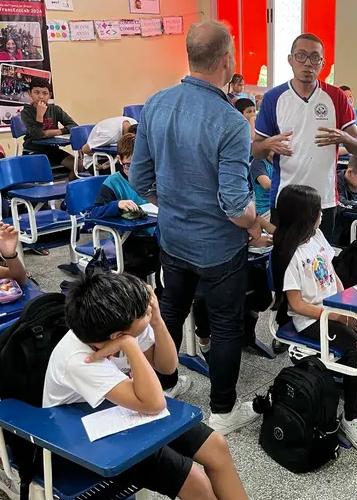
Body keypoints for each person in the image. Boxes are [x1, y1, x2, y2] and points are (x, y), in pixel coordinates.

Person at [130, 21, 262, 435]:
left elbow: (139, 180)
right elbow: (234, 205)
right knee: (225, 325)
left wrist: (175, 203)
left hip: (172, 237)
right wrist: (254, 220)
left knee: (171, 310)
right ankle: (222, 411)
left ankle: (165, 385)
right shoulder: (230, 122)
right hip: (219, 247)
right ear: (226, 61)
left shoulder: (155, 104)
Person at [43, 272, 247, 500]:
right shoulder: (79, 359)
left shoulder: (126, 320)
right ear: (118, 335)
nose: (148, 312)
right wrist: (130, 345)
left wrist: (157, 321)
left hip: (123, 409)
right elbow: (154, 404)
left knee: (216, 446)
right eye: (146, 314)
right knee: (195, 483)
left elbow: (167, 367)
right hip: (85, 436)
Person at [272, 184, 357, 454]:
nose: (322, 214)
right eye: (317, 211)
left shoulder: (317, 235)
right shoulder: (288, 253)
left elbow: (333, 276)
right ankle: (352, 417)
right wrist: (336, 315)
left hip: (337, 308)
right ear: (303, 217)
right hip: (310, 319)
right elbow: (296, 305)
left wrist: (347, 305)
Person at [253, 33, 357, 242]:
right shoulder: (273, 98)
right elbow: (256, 150)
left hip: (325, 199)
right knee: (286, 258)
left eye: (315, 57)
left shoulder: (336, 97)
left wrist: (344, 137)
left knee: (322, 260)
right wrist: (269, 143)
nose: (308, 63)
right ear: (290, 60)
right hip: (286, 199)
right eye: (301, 56)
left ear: (323, 63)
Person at [90, 133, 163, 285]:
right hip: (128, 240)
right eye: (129, 165)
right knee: (138, 262)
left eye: (140, 166)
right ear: (119, 159)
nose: (135, 171)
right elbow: (95, 213)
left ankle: (161, 294)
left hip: (155, 235)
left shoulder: (153, 177)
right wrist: (117, 205)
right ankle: (141, 294)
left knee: (171, 259)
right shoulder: (113, 183)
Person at [20, 77, 78, 179]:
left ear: (50, 95)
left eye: (45, 93)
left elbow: (74, 126)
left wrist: (55, 132)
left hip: (52, 150)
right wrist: (39, 115)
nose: (41, 97)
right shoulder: (26, 112)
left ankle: (68, 187)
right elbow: (37, 135)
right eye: (36, 92)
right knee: (43, 176)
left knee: (78, 167)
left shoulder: (55, 109)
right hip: (33, 151)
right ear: (30, 93)